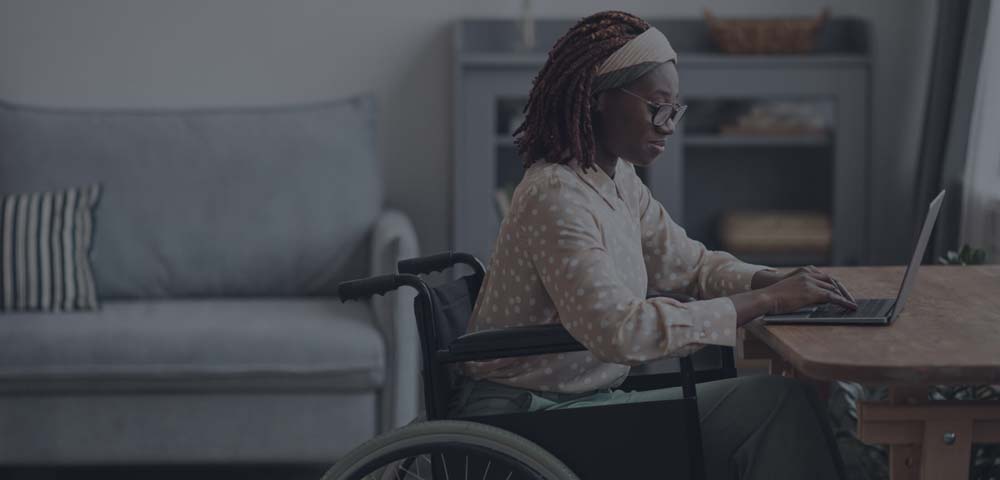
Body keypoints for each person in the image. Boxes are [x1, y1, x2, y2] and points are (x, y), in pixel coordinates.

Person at [449, 10, 856, 480]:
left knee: (781, 400)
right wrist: (763, 301)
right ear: (599, 98)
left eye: (674, 110)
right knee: (774, 406)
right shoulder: (555, 196)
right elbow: (620, 331)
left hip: (587, 403)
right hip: (531, 417)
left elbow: (691, 265)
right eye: (656, 107)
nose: (668, 124)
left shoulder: (618, 178)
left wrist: (774, 280)